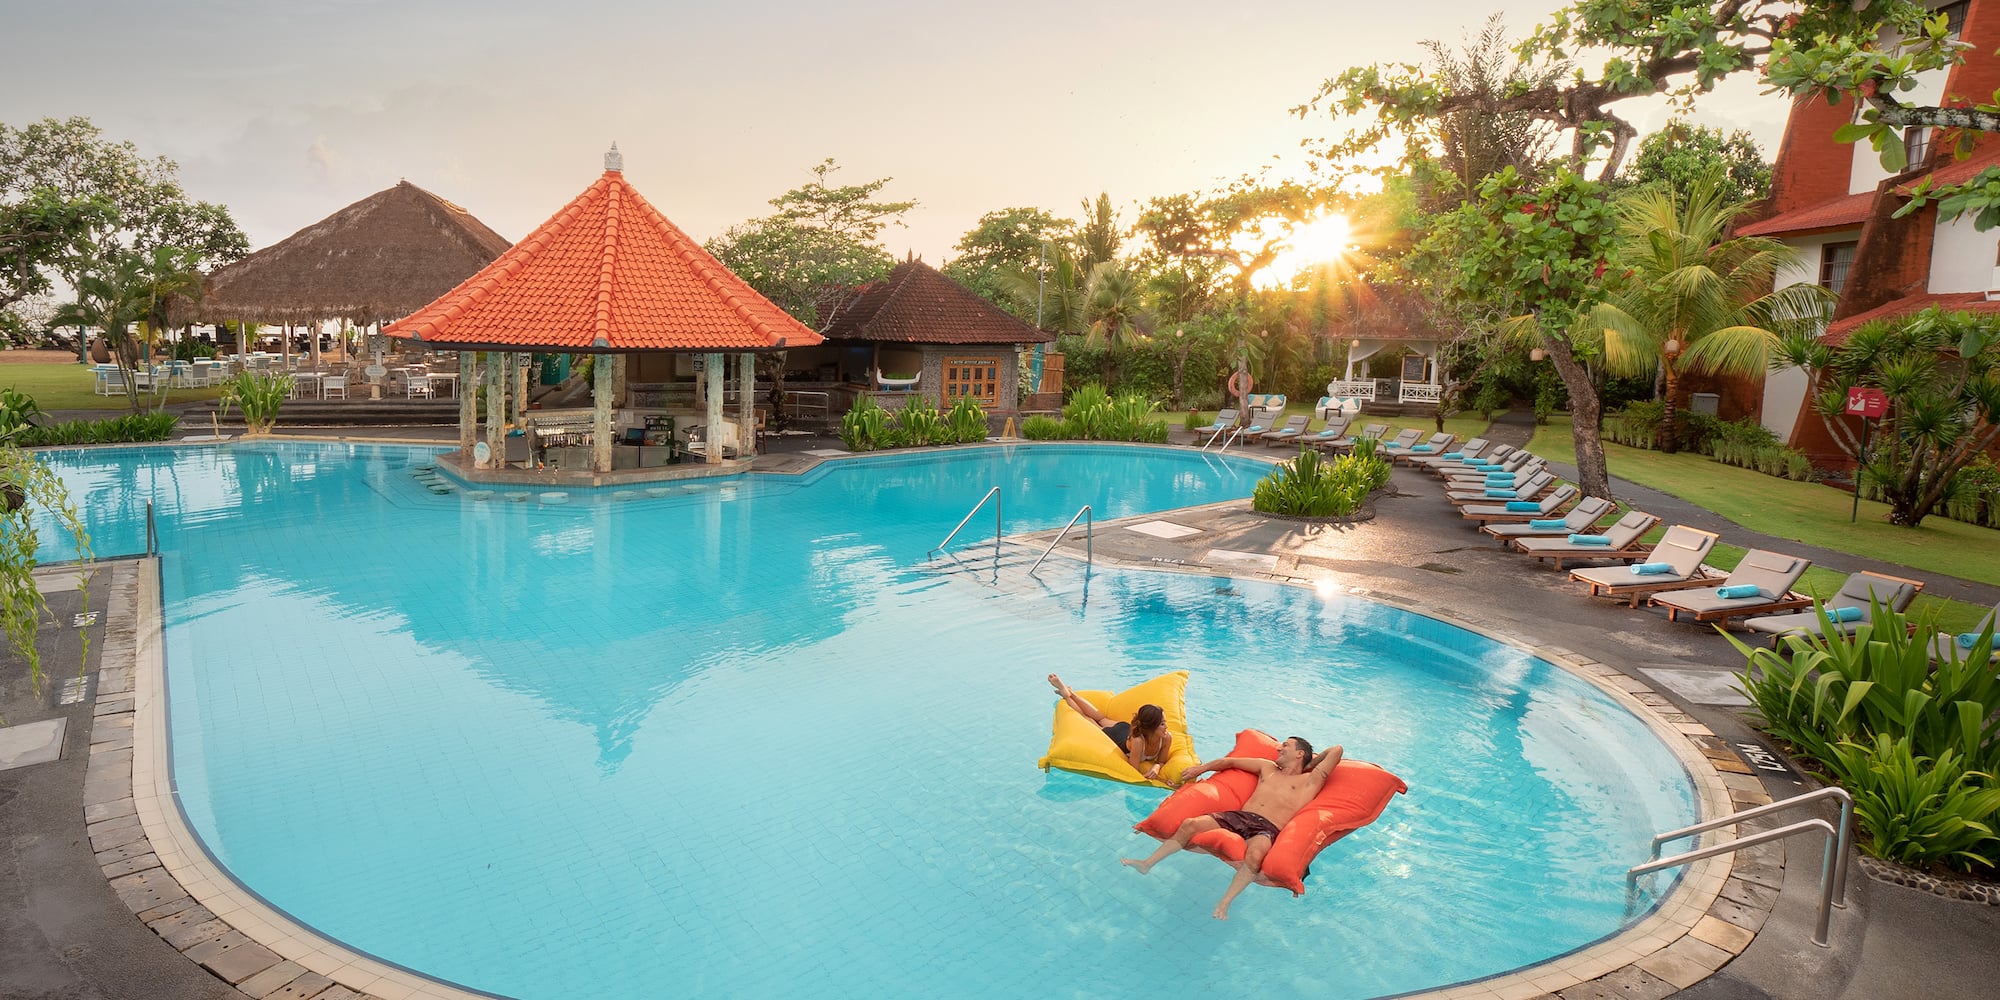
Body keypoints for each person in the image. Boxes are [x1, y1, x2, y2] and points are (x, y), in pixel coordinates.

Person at [1121, 736, 1343, 920]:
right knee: (1190, 824)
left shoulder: (1311, 780)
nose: (1279, 748)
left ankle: (1224, 903)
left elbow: (1336, 749)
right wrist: (1202, 768)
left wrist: (1311, 763)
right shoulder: (1267, 768)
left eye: (1286, 745)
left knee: (1255, 855)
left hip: (1268, 827)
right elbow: (1230, 763)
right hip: (1240, 817)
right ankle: (1147, 863)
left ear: (1300, 753)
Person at [1047, 674, 1174, 782]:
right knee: (1089, 719)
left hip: (1126, 727)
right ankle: (1067, 695)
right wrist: (1162, 781)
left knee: (1101, 718)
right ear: (1151, 727)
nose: (1166, 727)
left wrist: (1157, 767)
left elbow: (1161, 761)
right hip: (1117, 735)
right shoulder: (1138, 741)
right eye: (1162, 724)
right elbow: (1133, 772)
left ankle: (1071, 693)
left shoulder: (1167, 737)